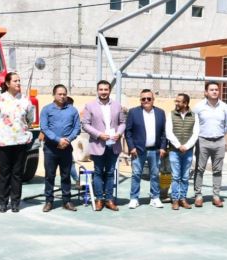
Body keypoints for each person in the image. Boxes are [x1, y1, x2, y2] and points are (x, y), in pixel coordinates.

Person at [0, 71, 35, 213]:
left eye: (19, 80)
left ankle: (15, 202)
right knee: (4, 173)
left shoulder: (25, 100)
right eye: (15, 81)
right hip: (4, 141)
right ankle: (3, 202)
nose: (18, 83)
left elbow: (30, 119)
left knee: (17, 173)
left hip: (21, 142)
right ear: (7, 83)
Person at [81, 80, 126, 211]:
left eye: (106, 89)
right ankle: (99, 199)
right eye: (101, 89)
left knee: (111, 173)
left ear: (109, 90)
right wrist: (99, 134)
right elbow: (85, 124)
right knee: (99, 172)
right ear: (97, 90)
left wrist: (119, 133)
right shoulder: (90, 106)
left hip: (114, 144)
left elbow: (123, 122)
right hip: (98, 144)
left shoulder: (117, 105)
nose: (103, 92)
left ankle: (109, 200)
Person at [40, 84, 81, 212]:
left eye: (64, 94)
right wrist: (58, 140)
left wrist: (67, 140)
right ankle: (49, 201)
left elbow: (77, 128)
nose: (62, 96)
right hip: (51, 149)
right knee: (49, 176)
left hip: (66, 148)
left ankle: (67, 201)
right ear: (54, 95)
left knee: (66, 175)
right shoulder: (46, 109)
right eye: (60, 94)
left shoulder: (73, 110)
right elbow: (44, 128)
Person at [125, 88, 167, 209]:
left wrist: (163, 147)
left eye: (149, 98)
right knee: (136, 174)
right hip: (138, 150)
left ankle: (155, 198)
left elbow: (164, 132)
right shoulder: (133, 112)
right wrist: (131, 147)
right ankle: (134, 198)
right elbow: (128, 132)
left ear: (153, 100)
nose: (146, 100)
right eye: (143, 99)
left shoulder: (160, 112)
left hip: (156, 150)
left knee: (155, 174)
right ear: (140, 100)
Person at [192, 81, 227, 208]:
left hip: (219, 141)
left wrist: (219, 134)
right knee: (199, 169)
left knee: (218, 170)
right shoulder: (198, 107)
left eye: (216, 89)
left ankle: (216, 196)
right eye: (211, 90)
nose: (215, 91)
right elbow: (192, 123)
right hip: (202, 141)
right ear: (206, 92)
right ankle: (198, 196)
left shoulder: (224, 106)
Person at [165, 93, 199, 210]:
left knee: (184, 177)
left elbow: (195, 133)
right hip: (174, 151)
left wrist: (187, 146)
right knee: (175, 176)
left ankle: (183, 199)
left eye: (179, 101)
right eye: (176, 101)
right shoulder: (171, 115)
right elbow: (169, 132)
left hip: (188, 151)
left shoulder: (194, 116)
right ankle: (175, 200)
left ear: (185, 103)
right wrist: (179, 146)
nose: (176, 103)